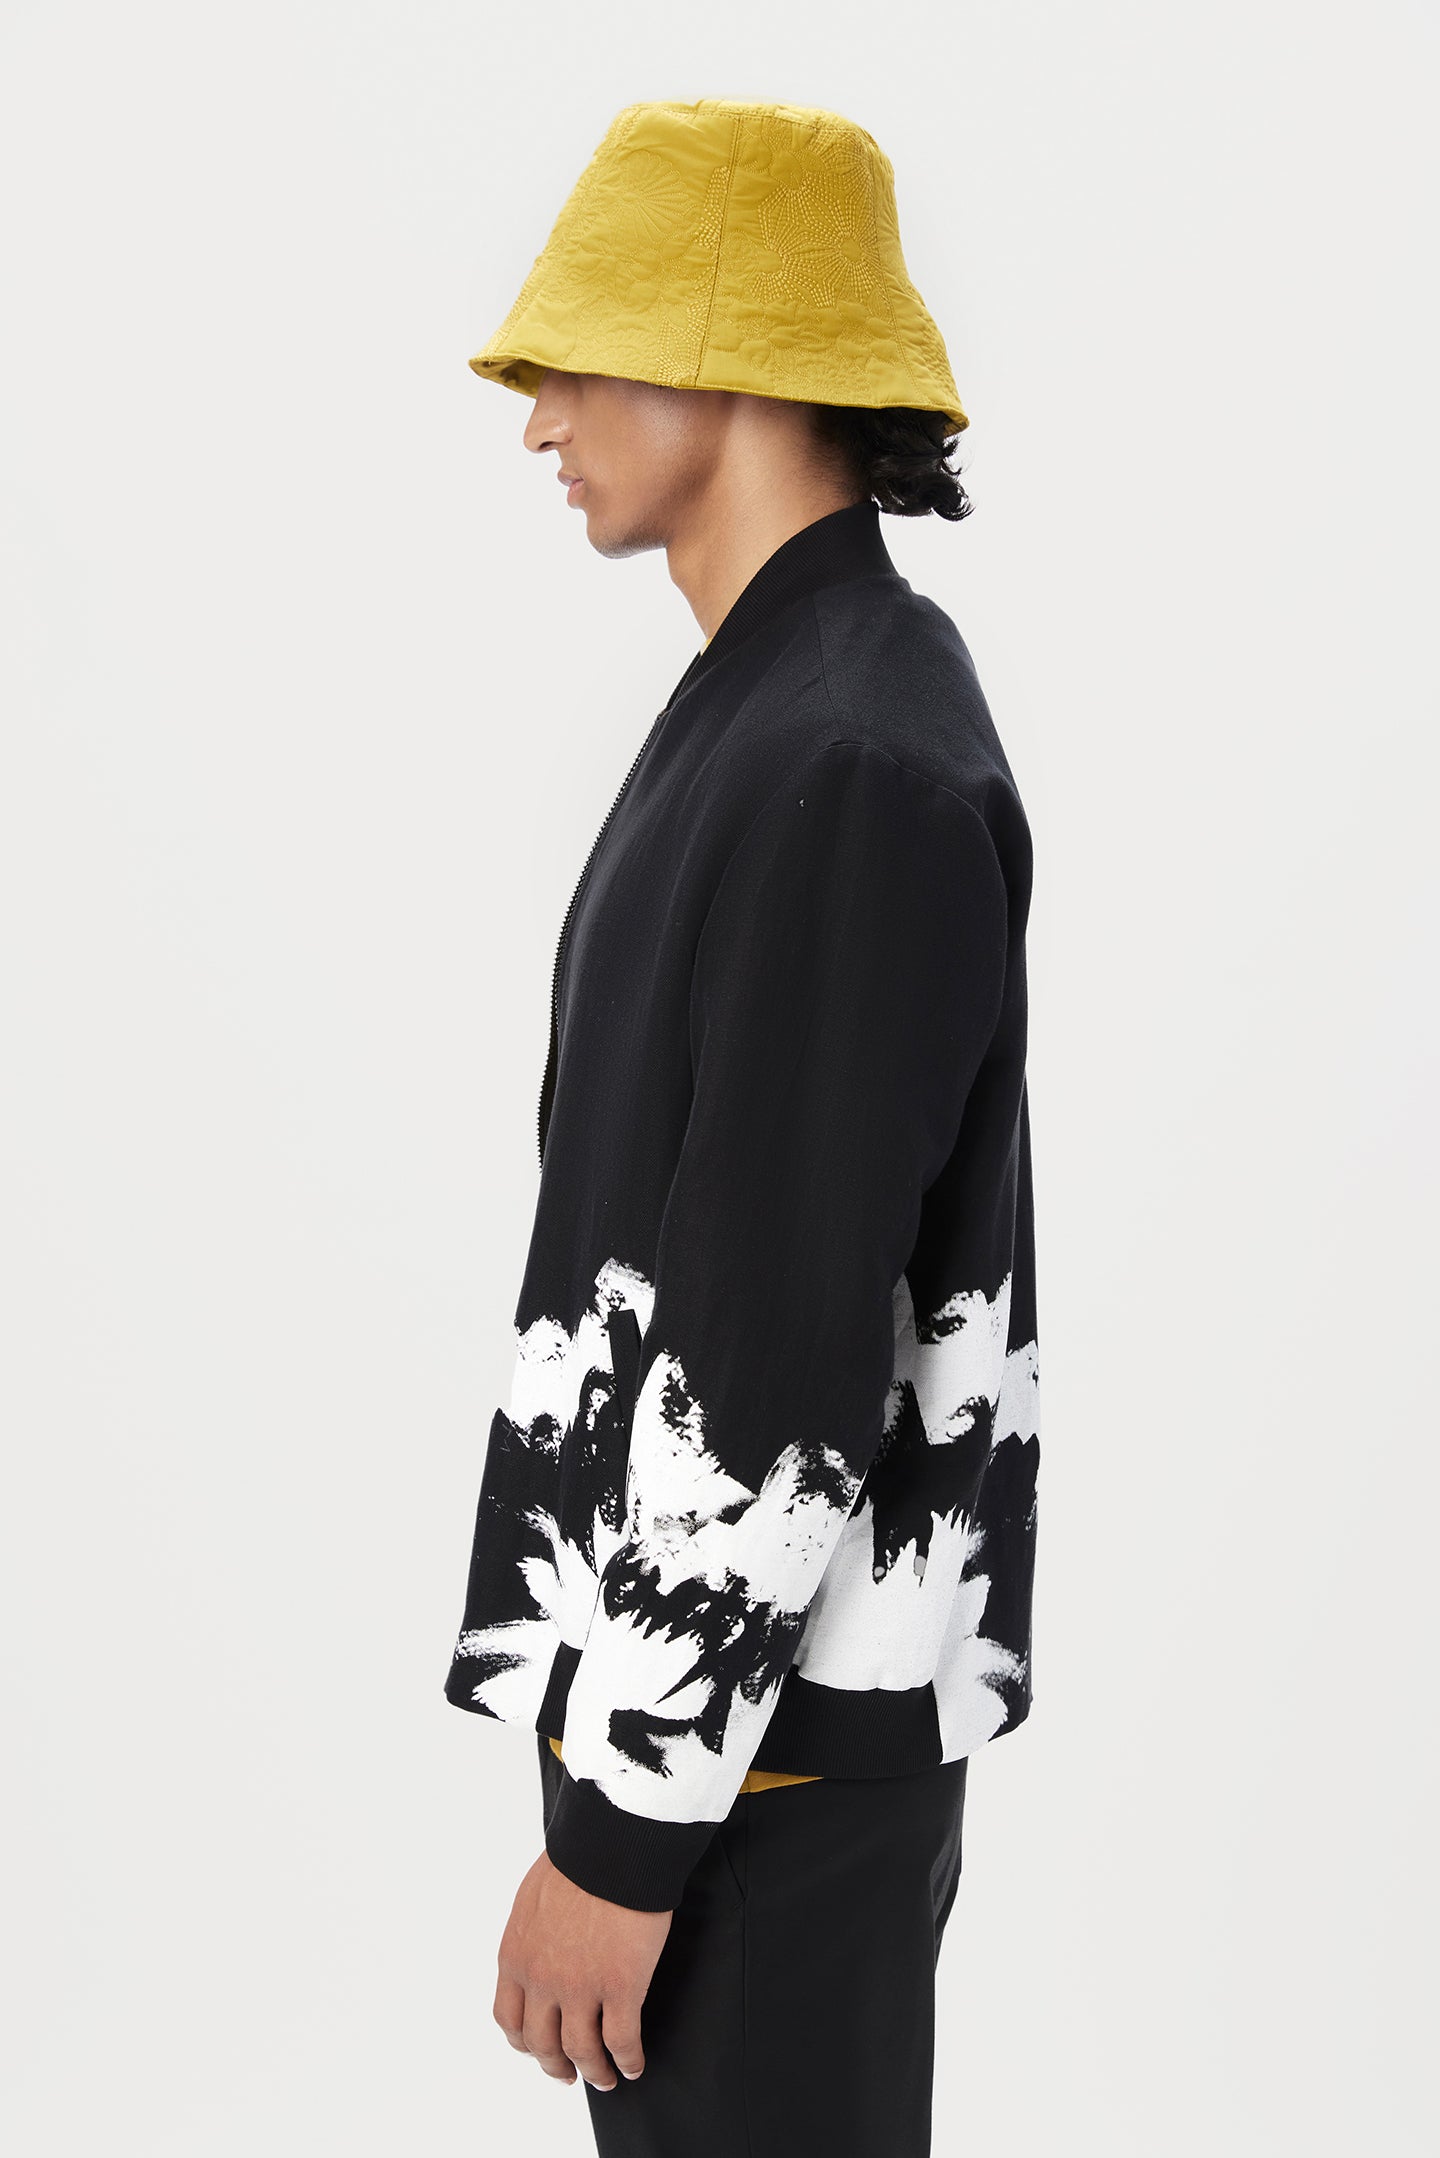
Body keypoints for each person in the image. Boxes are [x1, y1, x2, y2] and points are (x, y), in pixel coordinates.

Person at [444, 97, 1041, 2157]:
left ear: (732, 354)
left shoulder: (847, 753)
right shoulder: (790, 702)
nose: (540, 418)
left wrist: (621, 1834)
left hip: (747, 1774)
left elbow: (778, 1340)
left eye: (578, 354)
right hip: (735, 1748)